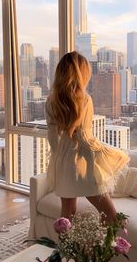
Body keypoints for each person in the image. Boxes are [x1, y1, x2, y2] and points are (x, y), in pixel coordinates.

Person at [45, 51, 130, 223]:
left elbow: (52, 139)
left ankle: (66, 250)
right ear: (80, 74)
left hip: (62, 164)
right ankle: (108, 248)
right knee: (110, 215)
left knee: (67, 217)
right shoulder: (84, 100)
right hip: (83, 164)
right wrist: (106, 152)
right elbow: (85, 138)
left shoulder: (51, 100)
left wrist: (59, 158)